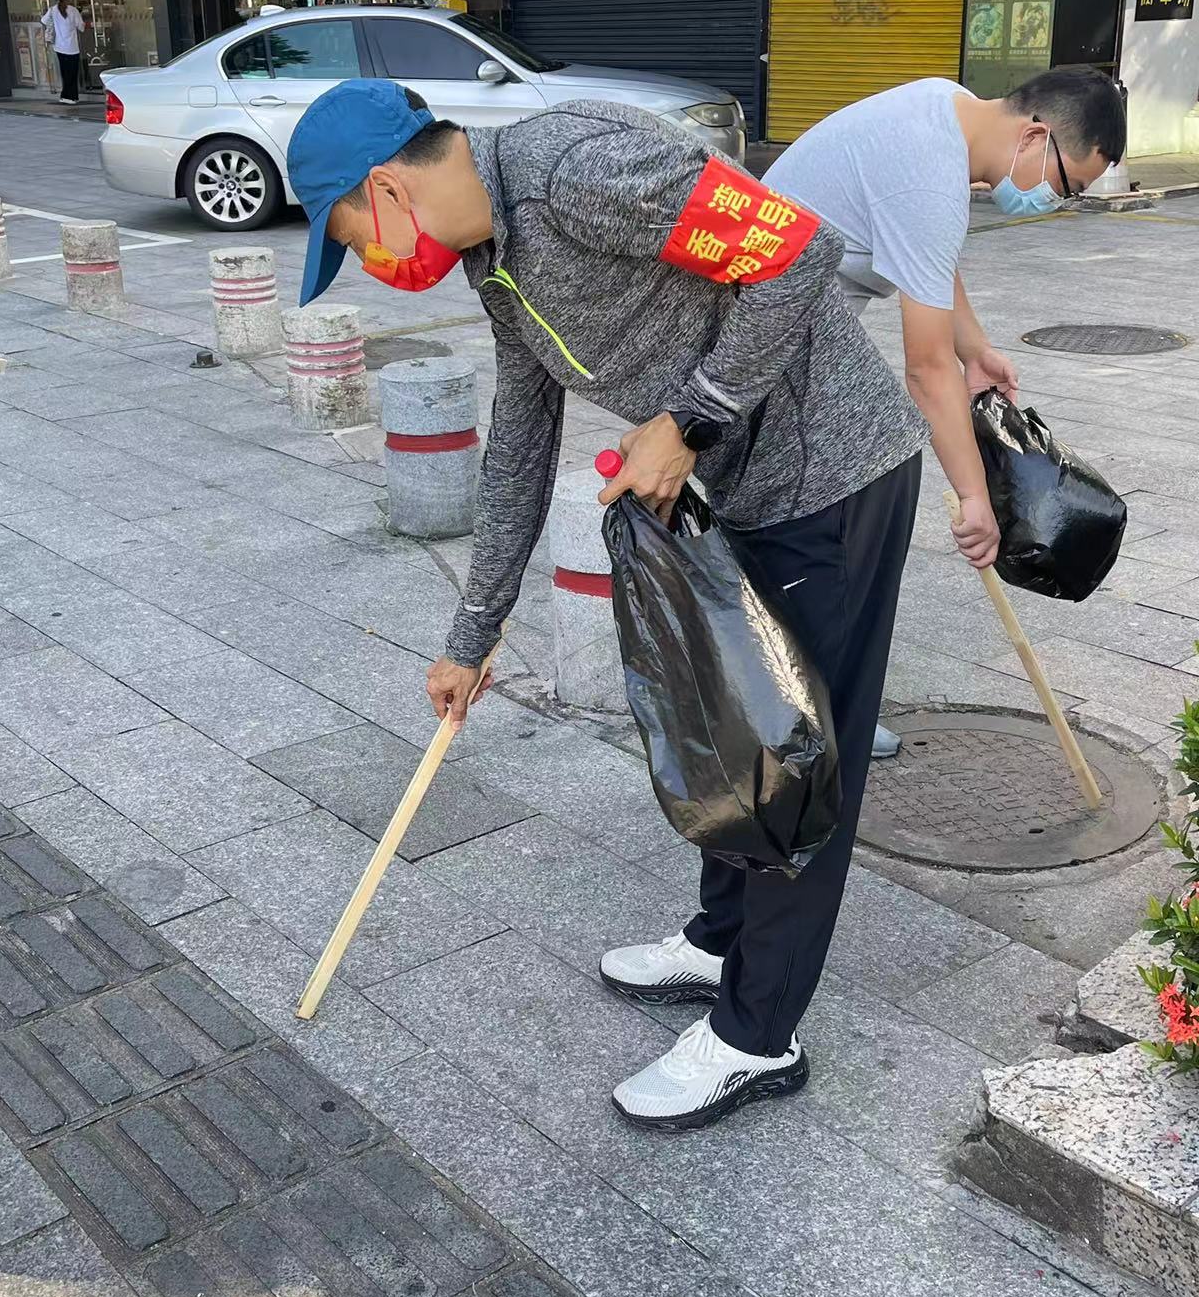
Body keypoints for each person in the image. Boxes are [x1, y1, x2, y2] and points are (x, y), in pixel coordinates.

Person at [291, 77, 932, 1133]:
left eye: (353, 240)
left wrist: (686, 421)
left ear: (387, 189)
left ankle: (757, 1035)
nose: (372, 264)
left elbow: (796, 251)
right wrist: (473, 635)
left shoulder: (573, 169)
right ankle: (719, 940)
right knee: (731, 727)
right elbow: (519, 446)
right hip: (739, 491)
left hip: (833, 477)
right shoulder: (496, 265)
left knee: (796, 760)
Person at [767, 67, 1127, 755]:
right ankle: (808, 721)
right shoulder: (930, 171)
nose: (1056, 202)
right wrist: (973, 500)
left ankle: (826, 706)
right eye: (1068, 186)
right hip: (762, 343)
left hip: (791, 330)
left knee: (862, 498)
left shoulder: (945, 109)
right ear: (1036, 137)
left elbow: (927, 256)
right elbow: (926, 370)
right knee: (839, 519)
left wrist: (977, 350)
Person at [41, 0, 85, 103]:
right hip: (72, 47)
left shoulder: (53, 10)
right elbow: (81, 27)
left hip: (59, 46)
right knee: (72, 73)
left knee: (65, 72)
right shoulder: (73, 11)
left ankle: (65, 95)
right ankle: (71, 96)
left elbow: (43, 21)